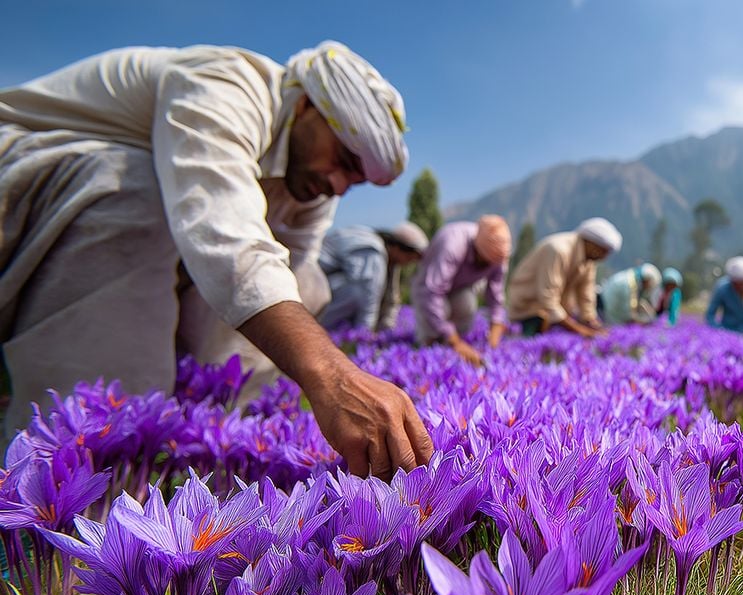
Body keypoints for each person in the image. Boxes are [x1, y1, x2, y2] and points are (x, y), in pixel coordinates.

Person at [0, 41, 433, 477]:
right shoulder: (225, 81)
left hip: (147, 232)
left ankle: (209, 436)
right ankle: (71, 458)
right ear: (304, 106)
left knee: (306, 283)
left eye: (354, 181)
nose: (339, 187)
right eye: (342, 160)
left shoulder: (312, 182)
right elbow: (221, 233)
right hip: (26, 170)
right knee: (135, 189)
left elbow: (281, 274)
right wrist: (331, 376)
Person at [410, 215, 510, 367]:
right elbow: (432, 292)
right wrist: (455, 342)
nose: (488, 267)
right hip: (428, 289)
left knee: (467, 303)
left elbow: (496, 296)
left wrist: (494, 341)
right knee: (434, 323)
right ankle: (428, 356)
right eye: (486, 261)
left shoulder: (497, 256)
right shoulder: (453, 244)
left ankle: (456, 351)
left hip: (460, 288)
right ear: (477, 249)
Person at [507, 218, 621, 338]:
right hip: (529, 310)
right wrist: (581, 330)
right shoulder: (558, 250)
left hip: (554, 313)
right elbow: (548, 297)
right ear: (591, 243)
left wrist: (591, 322)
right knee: (531, 339)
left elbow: (586, 294)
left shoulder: (588, 259)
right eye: (603, 251)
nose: (604, 257)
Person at [317, 221, 428, 331]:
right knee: (355, 294)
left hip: (324, 288)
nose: (407, 263)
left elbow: (391, 298)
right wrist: (364, 335)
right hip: (313, 290)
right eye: (408, 258)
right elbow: (367, 297)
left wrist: (387, 329)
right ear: (397, 247)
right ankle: (320, 330)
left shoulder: (391, 262)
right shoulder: (373, 254)